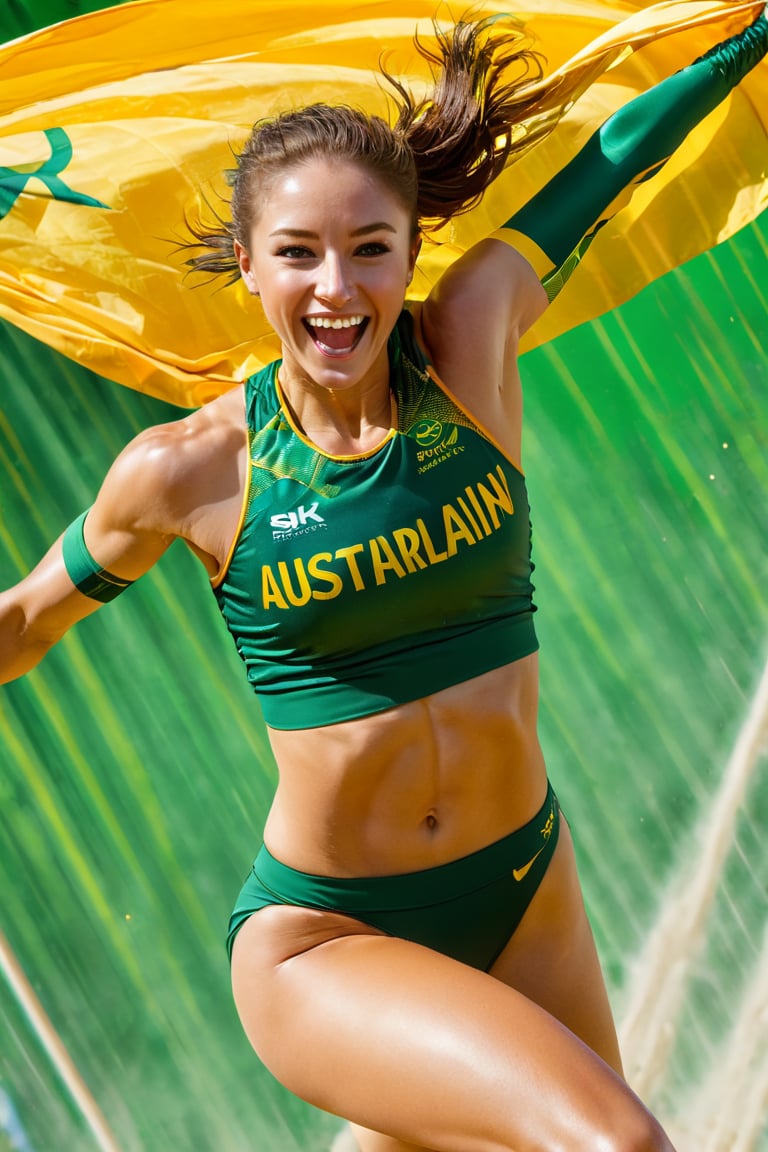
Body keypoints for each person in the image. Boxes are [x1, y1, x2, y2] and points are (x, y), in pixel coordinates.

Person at [1, 7, 766, 1150]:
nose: (336, 289)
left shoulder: (470, 338)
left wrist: (744, 38)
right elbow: (24, 619)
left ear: (414, 251)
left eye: (371, 247)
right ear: (247, 265)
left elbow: (617, 155)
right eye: (298, 252)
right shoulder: (191, 468)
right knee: (620, 1144)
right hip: (330, 940)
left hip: (523, 890)